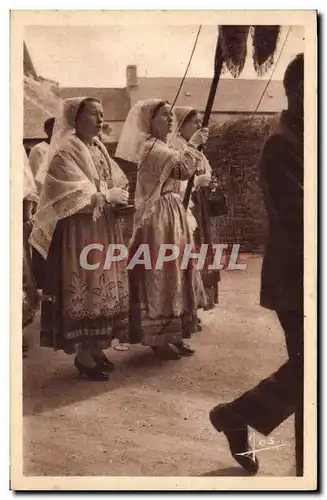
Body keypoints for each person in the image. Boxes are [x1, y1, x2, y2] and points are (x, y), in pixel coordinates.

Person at [209, 53, 304, 476]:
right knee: (311, 373)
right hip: (300, 278)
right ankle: (238, 415)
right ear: (302, 91)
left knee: (310, 375)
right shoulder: (283, 144)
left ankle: (237, 415)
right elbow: (303, 218)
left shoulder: (308, 135)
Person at [30, 97, 130, 381]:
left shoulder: (97, 146)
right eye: (94, 115)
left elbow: (115, 179)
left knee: (104, 282)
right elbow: (67, 195)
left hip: (103, 225)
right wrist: (103, 197)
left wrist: (117, 196)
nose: (100, 120)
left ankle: (97, 347)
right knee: (87, 284)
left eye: (101, 114)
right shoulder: (65, 150)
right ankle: (83, 356)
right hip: (81, 229)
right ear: (76, 118)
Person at [116, 98, 208, 360]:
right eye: (164, 116)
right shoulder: (151, 148)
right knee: (162, 273)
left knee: (177, 272)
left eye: (171, 116)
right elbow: (183, 169)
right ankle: (158, 338)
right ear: (149, 121)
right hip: (158, 218)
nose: (170, 120)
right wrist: (194, 144)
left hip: (171, 212)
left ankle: (175, 333)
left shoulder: (161, 146)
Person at [169, 106, 220, 311]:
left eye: (200, 122)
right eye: (195, 122)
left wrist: (209, 180)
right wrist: (197, 181)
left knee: (204, 247)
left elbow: (205, 168)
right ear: (181, 126)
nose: (199, 126)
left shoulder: (196, 148)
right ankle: (189, 305)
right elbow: (175, 179)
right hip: (186, 203)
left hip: (200, 204)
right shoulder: (176, 147)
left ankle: (201, 302)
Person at [23, 147, 40, 355]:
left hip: (21, 215)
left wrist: (29, 206)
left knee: (23, 274)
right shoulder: (37, 150)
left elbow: (28, 183)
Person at [29, 116, 55, 193]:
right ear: (46, 130)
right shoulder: (38, 149)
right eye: (52, 129)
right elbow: (36, 176)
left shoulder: (62, 147)